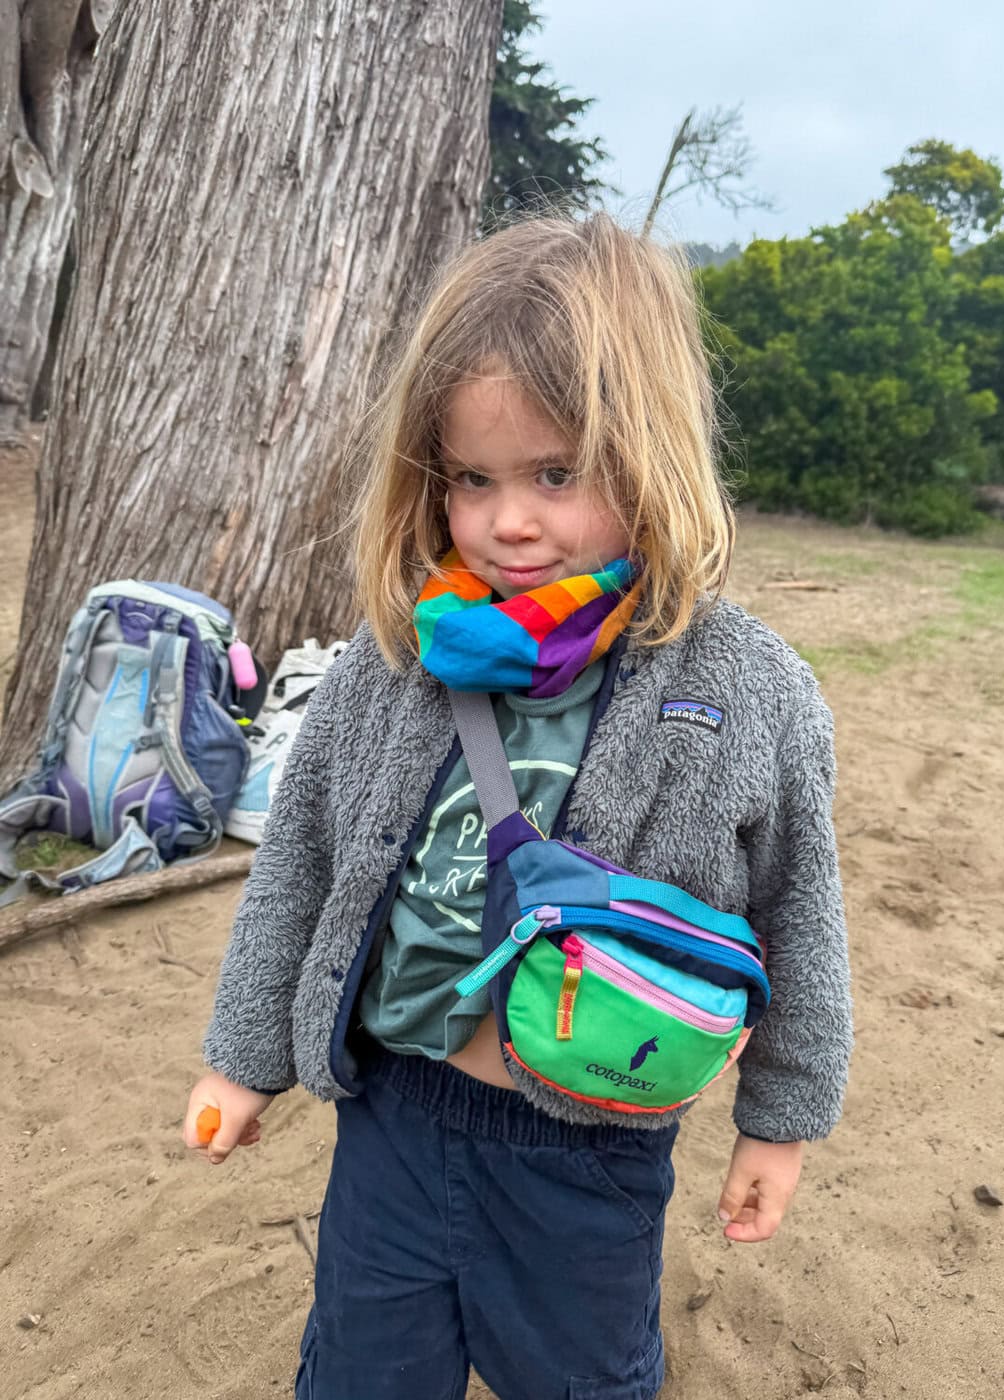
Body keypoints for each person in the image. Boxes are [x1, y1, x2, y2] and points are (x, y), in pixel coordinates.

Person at [181, 213, 853, 1400]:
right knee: (363, 1375)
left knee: (584, 1380)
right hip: (392, 1115)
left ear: (649, 453)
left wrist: (779, 1119)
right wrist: (244, 1058)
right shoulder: (397, 656)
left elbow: (802, 911)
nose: (511, 522)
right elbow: (299, 861)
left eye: (555, 473)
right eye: (473, 479)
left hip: (591, 1151)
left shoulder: (748, 686)